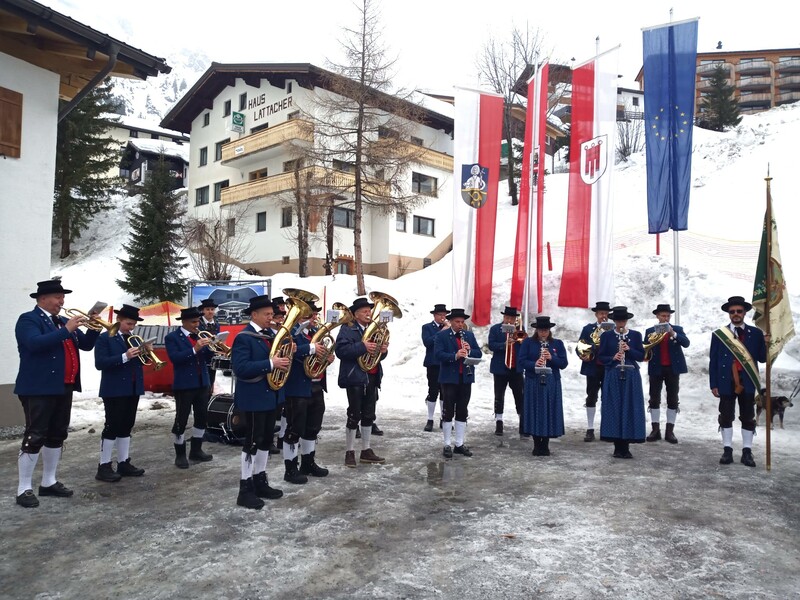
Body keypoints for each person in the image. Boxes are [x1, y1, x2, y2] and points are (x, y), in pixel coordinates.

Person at [14, 279, 101, 508]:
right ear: (42, 299)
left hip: (64, 386)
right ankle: (24, 488)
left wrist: (95, 327)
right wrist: (67, 330)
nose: (62, 302)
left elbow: (85, 345)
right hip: (38, 387)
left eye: (63, 297)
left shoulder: (62, 321)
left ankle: (48, 482)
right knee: (35, 435)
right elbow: (34, 344)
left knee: (57, 434)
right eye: (57, 297)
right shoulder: (28, 320)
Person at [231, 295, 290, 509]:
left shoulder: (269, 336)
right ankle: (244, 489)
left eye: (271, 314)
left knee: (265, 440)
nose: (270, 318)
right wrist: (270, 363)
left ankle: (260, 480)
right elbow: (241, 368)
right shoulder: (244, 337)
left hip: (270, 396)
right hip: (254, 398)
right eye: (266, 314)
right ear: (254, 315)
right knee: (252, 442)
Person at [709, 295, 767, 467]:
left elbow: (763, 359)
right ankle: (727, 450)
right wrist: (713, 384)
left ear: (744, 313)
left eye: (739, 311)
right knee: (726, 416)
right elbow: (714, 361)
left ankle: (747, 451)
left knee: (748, 417)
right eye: (732, 311)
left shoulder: (756, 334)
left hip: (747, 380)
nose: (735, 314)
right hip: (726, 381)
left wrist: (767, 343)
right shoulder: (719, 335)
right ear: (728, 313)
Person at [93, 304, 147, 482]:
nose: (131, 328)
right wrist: (125, 356)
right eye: (128, 324)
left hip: (132, 387)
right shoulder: (105, 338)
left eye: (133, 325)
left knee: (127, 425)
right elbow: (100, 363)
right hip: (114, 389)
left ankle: (123, 462)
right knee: (112, 426)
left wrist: (146, 353)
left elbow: (140, 363)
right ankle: (104, 465)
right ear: (119, 320)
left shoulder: (134, 338)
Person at [335, 296, 387, 468]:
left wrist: (383, 350)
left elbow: (378, 355)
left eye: (369, 310)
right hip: (355, 377)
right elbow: (341, 351)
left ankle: (366, 450)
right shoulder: (347, 329)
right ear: (356, 314)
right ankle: (349, 451)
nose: (368, 313)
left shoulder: (376, 329)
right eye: (364, 311)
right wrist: (362, 346)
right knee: (354, 414)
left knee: (368, 415)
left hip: (372, 376)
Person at [283, 302, 332, 481]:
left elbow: (316, 357)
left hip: (316, 386)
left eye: (314, 315)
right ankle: (290, 469)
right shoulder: (290, 332)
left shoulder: (313, 334)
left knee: (312, 427)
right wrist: (311, 348)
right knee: (294, 429)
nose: (314, 319)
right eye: (310, 315)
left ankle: (308, 463)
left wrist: (326, 357)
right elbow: (286, 351)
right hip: (296, 387)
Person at [165, 306, 215, 469]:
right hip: (184, 385)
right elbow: (175, 358)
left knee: (202, 418)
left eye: (198, 321)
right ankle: (180, 454)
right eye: (194, 322)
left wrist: (213, 346)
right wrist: (195, 349)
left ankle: (196, 450)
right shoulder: (173, 337)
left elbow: (207, 356)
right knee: (181, 419)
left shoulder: (199, 335)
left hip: (202, 383)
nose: (197, 324)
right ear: (185, 322)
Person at [597, 306, 646, 459]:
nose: (621, 323)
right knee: (614, 407)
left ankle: (627, 445)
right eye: (618, 320)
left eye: (623, 320)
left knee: (629, 407)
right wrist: (613, 357)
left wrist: (629, 349)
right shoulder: (607, 336)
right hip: (613, 374)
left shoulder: (636, 335)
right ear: (614, 321)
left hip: (631, 376)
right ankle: (617, 446)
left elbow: (641, 356)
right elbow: (601, 357)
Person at [434, 308, 482, 458]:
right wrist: (455, 355)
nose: (460, 324)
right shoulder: (442, 336)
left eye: (462, 322)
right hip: (449, 378)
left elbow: (478, 353)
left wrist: (470, 351)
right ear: (451, 322)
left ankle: (459, 444)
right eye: (457, 322)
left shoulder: (469, 335)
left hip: (465, 378)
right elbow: (438, 354)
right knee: (448, 411)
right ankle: (447, 443)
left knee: (462, 410)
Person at [518, 316, 568, 457]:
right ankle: (536, 444)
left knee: (548, 411)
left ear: (549, 330)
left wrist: (551, 358)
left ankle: (545, 444)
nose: (543, 333)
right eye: (541, 330)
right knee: (535, 411)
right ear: (537, 330)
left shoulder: (557, 344)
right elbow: (521, 361)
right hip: (534, 381)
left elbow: (563, 363)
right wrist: (535, 364)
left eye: (545, 330)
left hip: (551, 382)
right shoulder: (528, 343)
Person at [644, 303, 690, 444]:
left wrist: (673, 333)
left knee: (672, 399)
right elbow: (645, 347)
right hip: (656, 367)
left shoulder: (677, 329)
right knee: (654, 398)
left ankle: (670, 431)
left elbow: (686, 343)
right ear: (657, 316)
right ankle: (655, 429)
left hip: (672, 368)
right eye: (663, 315)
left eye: (668, 316)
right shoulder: (650, 330)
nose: (666, 318)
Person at [487, 306, 526, 437]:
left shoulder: (519, 329)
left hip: (516, 368)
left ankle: (522, 421)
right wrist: (505, 344)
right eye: (507, 317)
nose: (509, 320)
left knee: (519, 395)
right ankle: (499, 421)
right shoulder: (495, 329)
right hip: (500, 367)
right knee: (499, 395)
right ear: (503, 318)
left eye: (512, 318)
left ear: (515, 319)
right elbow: (491, 345)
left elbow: (524, 344)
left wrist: (517, 335)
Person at [576, 301, 612, 442]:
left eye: (606, 313)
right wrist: (584, 353)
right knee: (591, 397)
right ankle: (590, 428)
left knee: (607, 398)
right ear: (596, 315)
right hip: (593, 366)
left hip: (609, 366)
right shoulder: (588, 329)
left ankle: (606, 428)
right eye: (601, 313)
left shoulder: (613, 329)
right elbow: (580, 346)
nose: (604, 316)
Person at [421, 304, 448, 432]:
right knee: (433, 391)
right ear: (434, 315)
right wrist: (442, 332)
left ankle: (444, 418)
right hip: (433, 363)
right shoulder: (427, 327)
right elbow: (427, 343)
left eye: (444, 315)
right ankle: (430, 419)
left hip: (445, 363)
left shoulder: (449, 328)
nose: (443, 317)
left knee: (445, 392)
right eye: (440, 315)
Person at [198, 298, 221, 390]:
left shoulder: (217, 324)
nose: (210, 312)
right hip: (201, 357)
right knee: (202, 385)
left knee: (211, 382)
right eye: (207, 309)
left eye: (212, 309)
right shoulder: (198, 323)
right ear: (202, 311)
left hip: (212, 357)